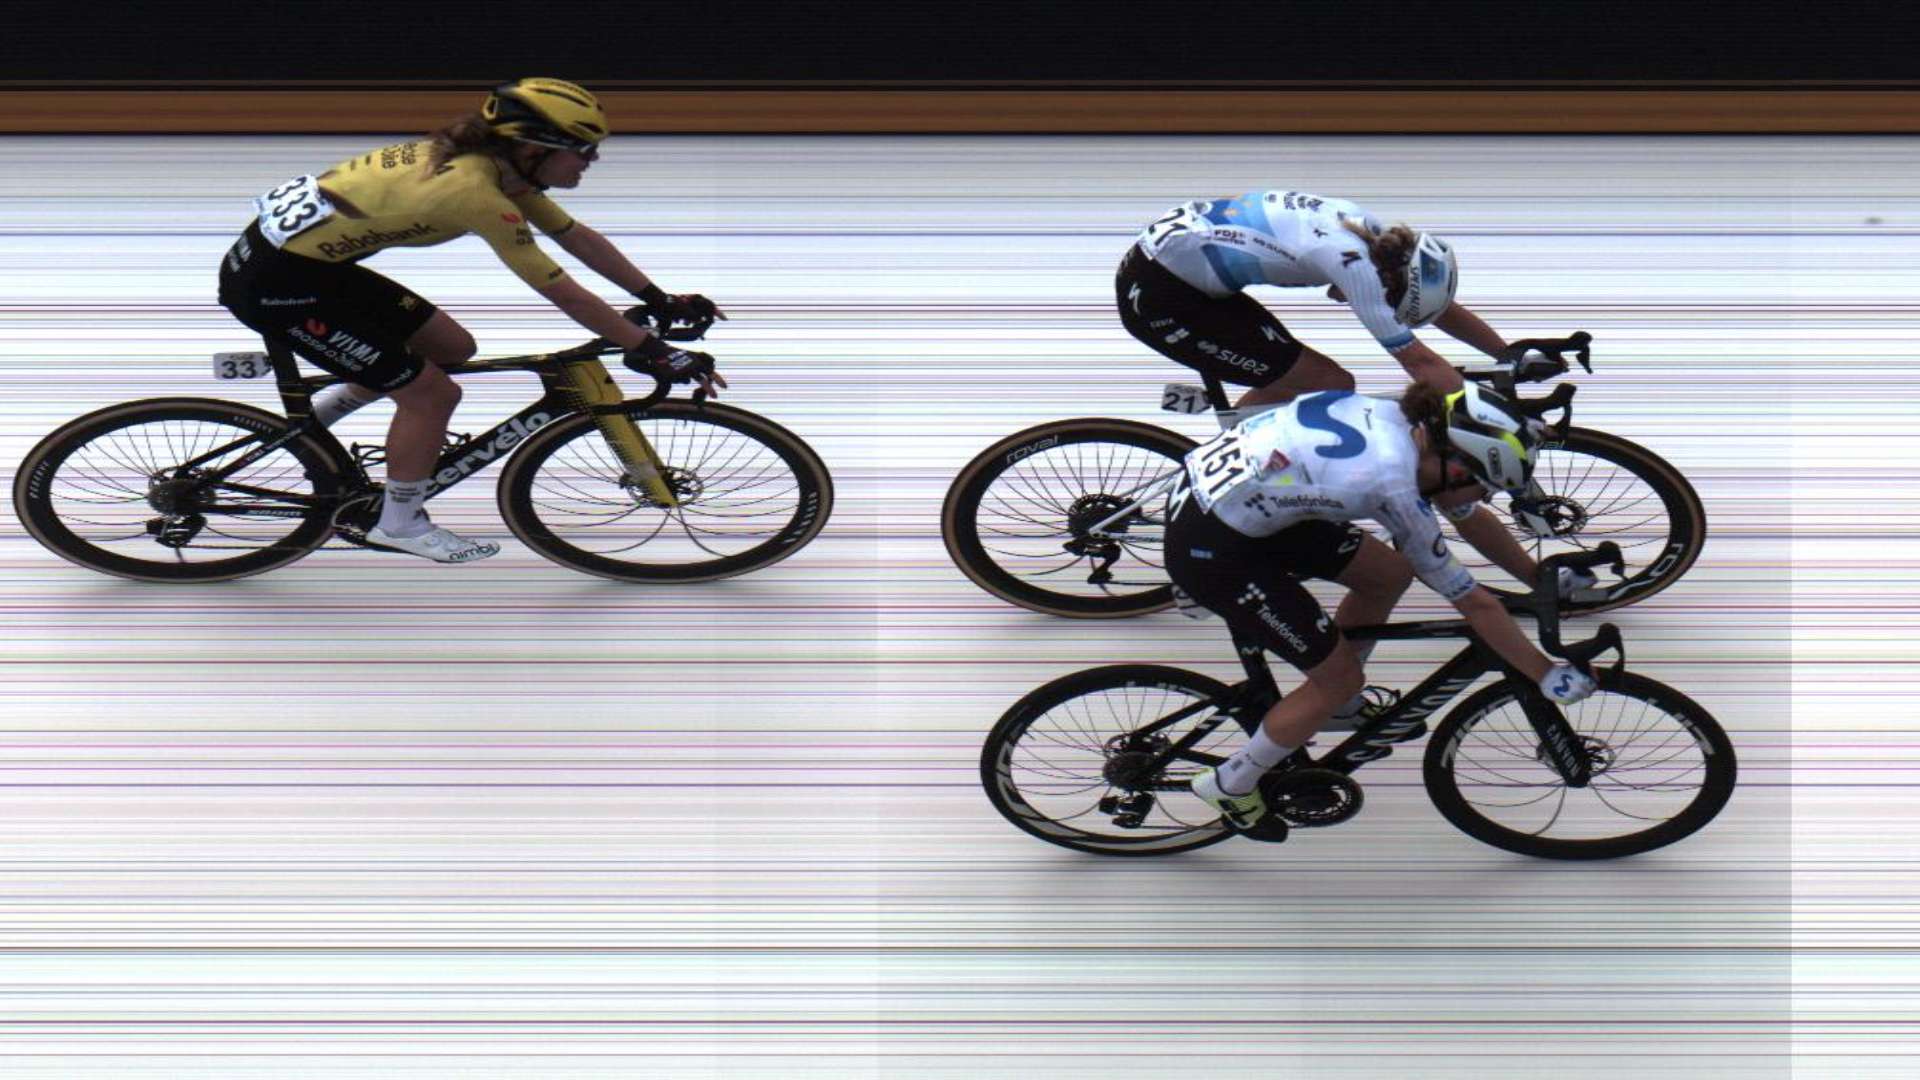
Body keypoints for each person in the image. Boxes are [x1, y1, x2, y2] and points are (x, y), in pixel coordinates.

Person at [218, 77, 723, 563]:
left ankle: (314, 428)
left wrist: (657, 298)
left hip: (301, 268)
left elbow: (574, 236)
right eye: (582, 149)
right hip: (278, 288)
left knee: (451, 348)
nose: (591, 160)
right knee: (433, 395)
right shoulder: (474, 192)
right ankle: (398, 524)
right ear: (534, 147)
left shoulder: (493, 166)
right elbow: (563, 293)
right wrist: (653, 349)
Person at [1166, 381, 1599, 834]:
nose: (1482, 498)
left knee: (1387, 574)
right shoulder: (1392, 483)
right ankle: (1231, 782)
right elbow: (1475, 603)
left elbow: (1468, 517)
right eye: (1485, 488)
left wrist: (1538, 578)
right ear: (1456, 466)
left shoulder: (1412, 427)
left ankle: (1337, 708)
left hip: (1232, 500)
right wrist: (1544, 673)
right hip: (1215, 547)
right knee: (1338, 679)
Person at [1115, 189, 1513, 405]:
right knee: (1329, 383)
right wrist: (1489, 416)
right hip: (1162, 296)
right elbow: (1419, 361)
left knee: (1311, 380)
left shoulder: (1375, 237)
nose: (1386, 307)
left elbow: (1435, 305)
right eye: (1393, 305)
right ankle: (1224, 487)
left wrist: (1507, 354)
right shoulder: (1355, 267)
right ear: (1392, 286)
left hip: (1178, 271)